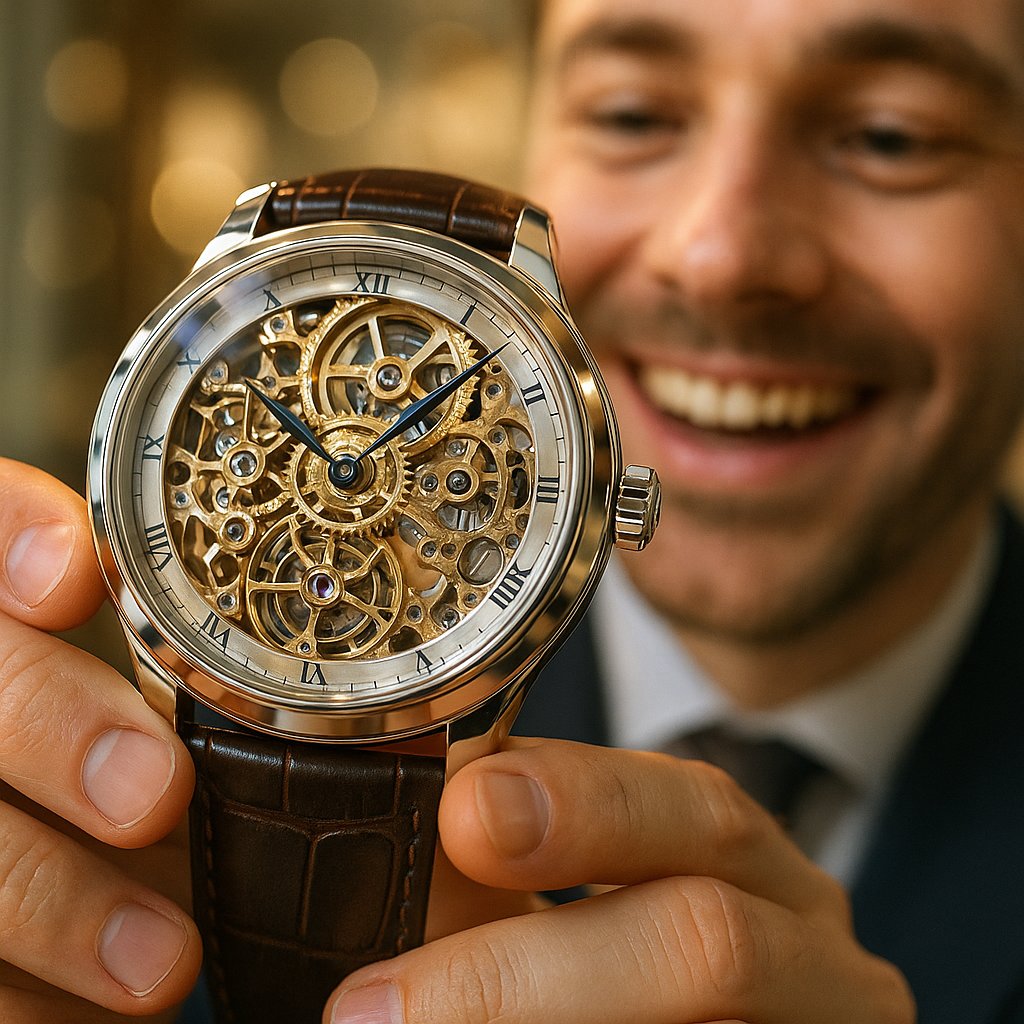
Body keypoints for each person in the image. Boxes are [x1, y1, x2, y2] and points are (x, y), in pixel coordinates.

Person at [2, 0, 1023, 1019]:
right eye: (631, 114)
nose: (721, 254)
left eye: (892, 135)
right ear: (538, 122)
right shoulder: (124, 818)